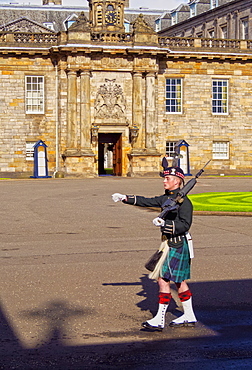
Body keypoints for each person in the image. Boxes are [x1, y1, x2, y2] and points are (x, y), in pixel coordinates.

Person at [112, 166, 196, 331]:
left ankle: (159, 319)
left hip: (177, 244)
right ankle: (189, 315)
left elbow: (185, 224)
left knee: (163, 279)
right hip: (168, 243)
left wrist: (166, 223)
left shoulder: (185, 202)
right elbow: (146, 201)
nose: (164, 181)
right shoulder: (167, 198)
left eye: (168, 179)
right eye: (164, 178)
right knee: (179, 281)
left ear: (178, 181)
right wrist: (124, 198)